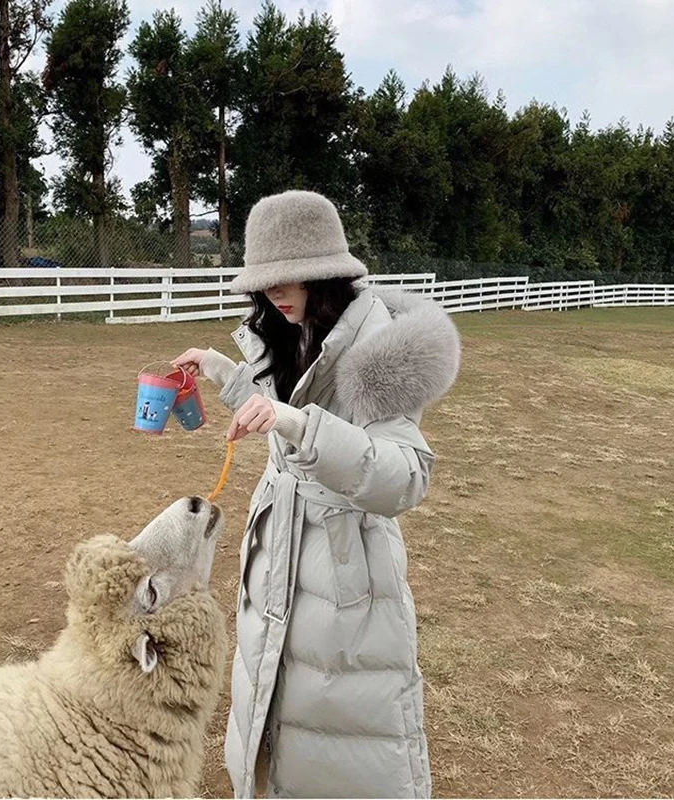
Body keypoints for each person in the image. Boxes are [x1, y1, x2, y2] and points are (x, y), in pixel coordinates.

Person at [173, 190, 461, 799]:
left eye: (292, 278)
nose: (277, 293)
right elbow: (281, 397)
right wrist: (219, 368)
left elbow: (406, 475)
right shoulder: (297, 328)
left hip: (343, 567)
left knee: (338, 730)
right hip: (280, 549)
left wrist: (301, 428)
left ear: (325, 273)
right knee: (273, 711)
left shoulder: (372, 352)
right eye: (266, 281)